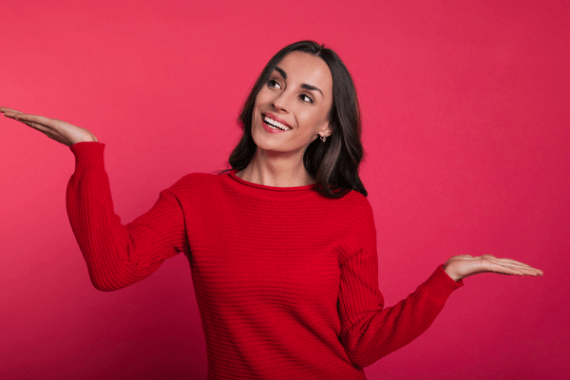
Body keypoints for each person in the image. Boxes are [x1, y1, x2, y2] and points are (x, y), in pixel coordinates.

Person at [1, 40, 543, 380]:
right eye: (275, 82)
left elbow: (361, 342)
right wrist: (86, 152)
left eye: (307, 97)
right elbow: (112, 268)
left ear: (327, 125)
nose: (281, 101)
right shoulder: (197, 196)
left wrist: (445, 279)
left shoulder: (348, 211)